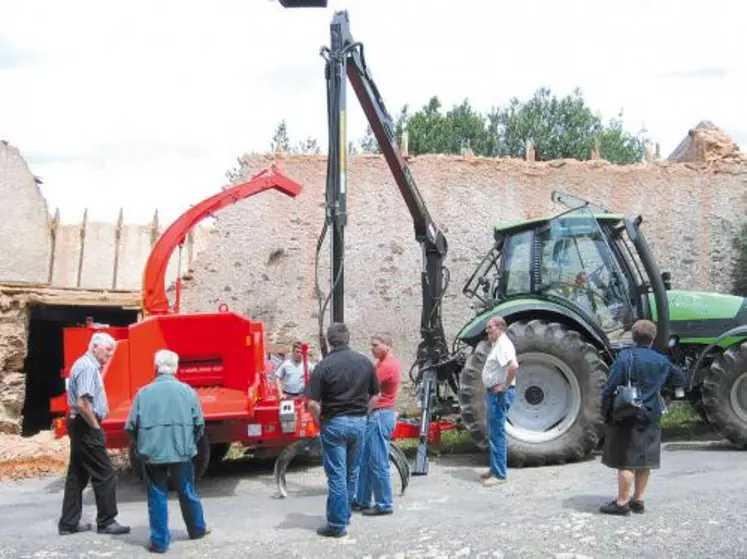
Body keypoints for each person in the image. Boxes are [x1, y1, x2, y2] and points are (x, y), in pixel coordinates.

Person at [125, 349, 210, 553]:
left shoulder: (143, 393)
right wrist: (188, 442)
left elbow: (130, 426)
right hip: (181, 451)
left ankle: (160, 542)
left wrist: (142, 445)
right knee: (187, 490)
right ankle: (197, 529)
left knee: (157, 495)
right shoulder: (187, 391)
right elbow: (199, 424)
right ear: (176, 368)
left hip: (152, 453)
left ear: (155, 368)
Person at [600, 319, 685, 515]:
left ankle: (622, 503)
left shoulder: (625, 358)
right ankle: (638, 500)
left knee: (626, 462)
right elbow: (680, 378)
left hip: (627, 416)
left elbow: (609, 388)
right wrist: (661, 390)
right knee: (644, 460)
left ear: (634, 337)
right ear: (652, 339)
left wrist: (606, 412)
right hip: (651, 416)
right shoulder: (662, 361)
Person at [307, 323, 380, 538]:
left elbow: (312, 402)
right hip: (358, 422)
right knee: (351, 472)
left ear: (330, 340)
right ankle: (344, 514)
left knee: (337, 475)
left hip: (334, 423)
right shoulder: (365, 362)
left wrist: (320, 421)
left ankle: (337, 525)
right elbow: (376, 395)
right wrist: (363, 415)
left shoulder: (324, 366)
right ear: (348, 338)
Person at [58, 332, 130, 536]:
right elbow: (83, 404)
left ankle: (68, 523)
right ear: (95, 346)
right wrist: (96, 428)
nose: (109, 354)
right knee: (105, 473)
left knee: (77, 475)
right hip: (86, 425)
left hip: (79, 424)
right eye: (107, 350)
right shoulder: (88, 367)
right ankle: (107, 521)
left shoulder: (83, 364)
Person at [353, 333, 402, 516]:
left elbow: (366, 389)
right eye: (371, 345)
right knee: (366, 460)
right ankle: (362, 500)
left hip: (379, 416)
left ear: (387, 345)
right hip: (378, 415)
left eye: (375, 345)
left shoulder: (386, 366)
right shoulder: (383, 363)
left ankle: (384, 504)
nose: (372, 349)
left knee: (378, 461)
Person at [480, 316, 519, 487]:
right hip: (495, 394)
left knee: (497, 434)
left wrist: (505, 384)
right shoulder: (498, 344)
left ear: (499, 328)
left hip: (499, 395)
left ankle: (500, 474)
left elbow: (514, 366)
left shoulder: (503, 344)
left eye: (489, 327)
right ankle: (495, 468)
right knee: (494, 432)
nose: (487, 331)